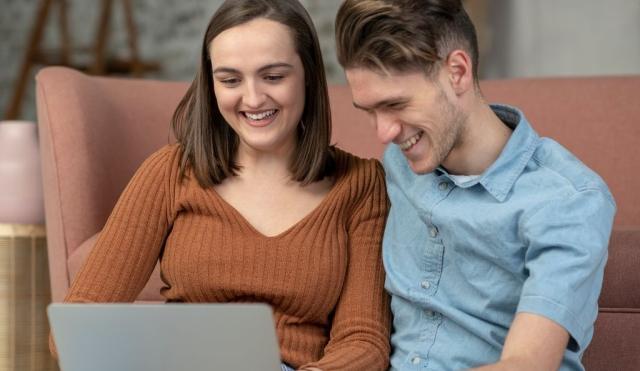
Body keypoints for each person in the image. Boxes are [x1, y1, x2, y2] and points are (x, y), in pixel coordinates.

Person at [55, 1, 391, 370]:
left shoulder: (360, 185)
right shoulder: (171, 172)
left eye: (273, 77)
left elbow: (364, 340)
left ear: (308, 74)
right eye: (230, 80)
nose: (252, 99)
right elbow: (78, 324)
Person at [335, 1, 615, 370]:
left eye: (396, 104)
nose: (383, 131)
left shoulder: (568, 201)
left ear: (457, 72)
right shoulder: (397, 165)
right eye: (369, 111)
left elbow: (526, 364)